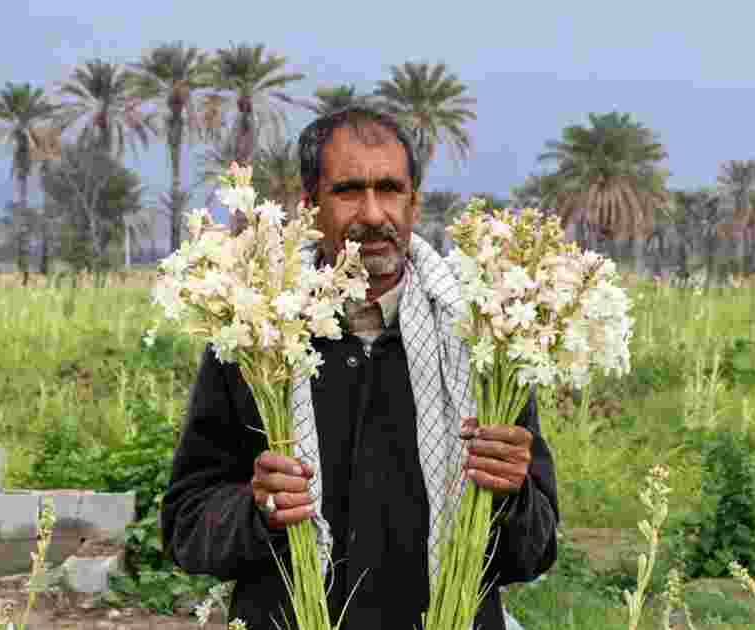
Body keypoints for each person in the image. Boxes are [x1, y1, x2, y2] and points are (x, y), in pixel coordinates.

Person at [160, 106, 559, 630]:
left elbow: (536, 551)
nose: (373, 214)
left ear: (414, 203)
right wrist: (258, 510)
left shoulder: (484, 341)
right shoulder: (257, 338)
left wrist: (510, 496)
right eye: (348, 191)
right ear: (310, 207)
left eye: (390, 189)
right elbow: (187, 526)